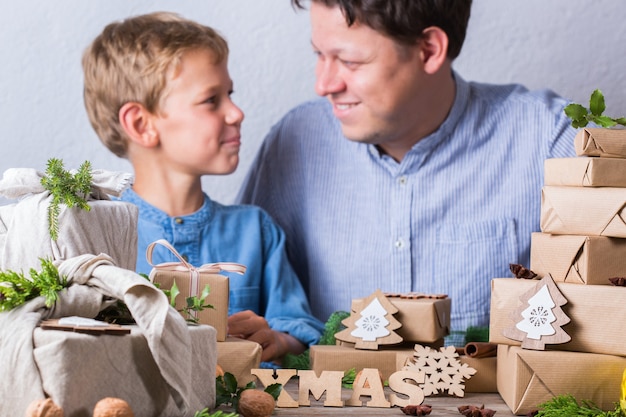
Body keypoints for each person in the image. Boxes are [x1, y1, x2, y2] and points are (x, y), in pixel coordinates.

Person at [237, 0, 578, 345]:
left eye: (350, 61)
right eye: (319, 55)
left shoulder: (550, 138)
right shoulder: (294, 141)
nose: (323, 85)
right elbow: (244, 302)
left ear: (429, 50)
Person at [82, 11, 323, 363]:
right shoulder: (95, 237)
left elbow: (301, 330)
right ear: (141, 124)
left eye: (230, 94)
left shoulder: (256, 231)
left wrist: (277, 339)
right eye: (212, 100)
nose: (236, 112)